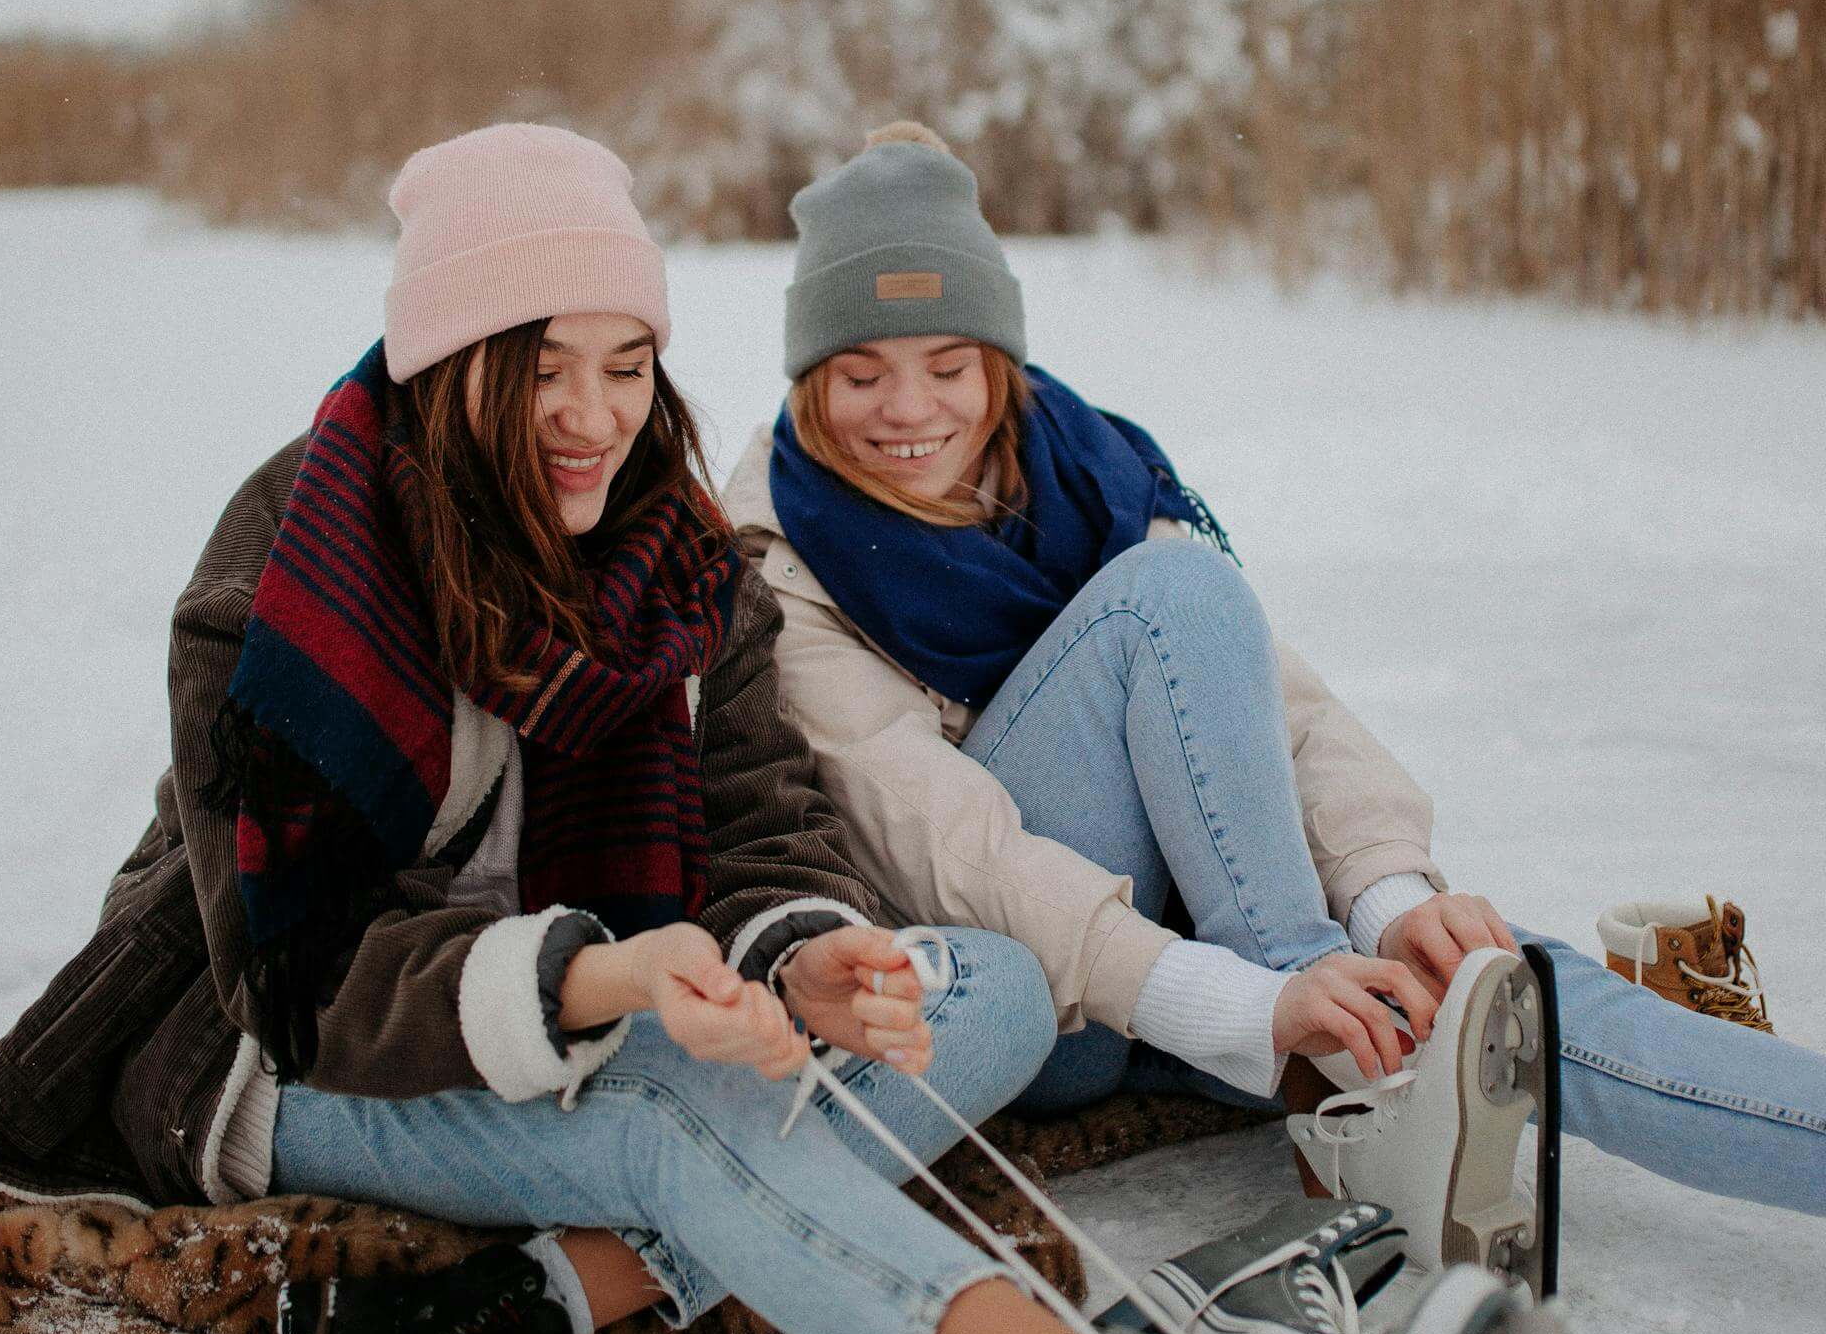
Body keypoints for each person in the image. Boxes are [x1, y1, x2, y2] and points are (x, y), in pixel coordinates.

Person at [0, 121, 1532, 1334]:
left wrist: (803, 953)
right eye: (538, 366)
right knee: (680, 1119)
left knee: (963, 985)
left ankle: (516, 1306)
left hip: (603, 983)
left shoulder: (679, 558)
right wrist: (600, 977)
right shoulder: (294, 570)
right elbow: (301, 974)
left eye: (628, 365)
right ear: (447, 365)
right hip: (277, 1052)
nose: (591, 417)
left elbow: (759, 821)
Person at [723, 122, 1824, 1246]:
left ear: (997, 363)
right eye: (861, 374)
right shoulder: (782, 554)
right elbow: (944, 842)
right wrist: (1258, 994)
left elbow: (1261, 706)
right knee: (1173, 596)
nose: (909, 411)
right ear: (810, 380)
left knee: (1481, 989)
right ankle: (1328, 1035)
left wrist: (1390, 897)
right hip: (1052, 997)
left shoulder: (1084, 469)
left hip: (1222, 950)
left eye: (948, 366)